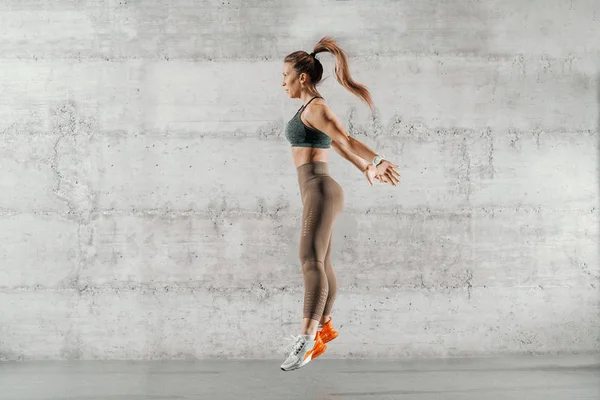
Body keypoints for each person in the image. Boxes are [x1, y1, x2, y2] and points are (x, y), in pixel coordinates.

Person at [279, 36, 401, 371]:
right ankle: (324, 327)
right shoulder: (308, 109)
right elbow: (339, 146)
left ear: (302, 77)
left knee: (310, 260)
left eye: (286, 75)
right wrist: (365, 167)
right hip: (315, 188)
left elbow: (346, 138)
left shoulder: (317, 107)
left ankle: (305, 340)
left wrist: (377, 159)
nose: (282, 82)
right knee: (322, 261)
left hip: (320, 187)